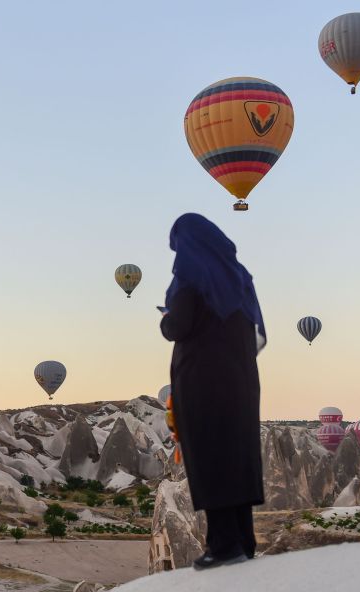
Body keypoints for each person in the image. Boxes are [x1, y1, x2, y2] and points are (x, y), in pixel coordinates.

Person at [160, 213, 265, 570]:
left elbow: (177, 325)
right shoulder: (237, 278)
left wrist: (165, 317)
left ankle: (223, 545)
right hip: (240, 384)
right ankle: (243, 541)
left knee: (210, 457)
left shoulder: (190, 278)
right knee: (236, 456)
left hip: (202, 384)